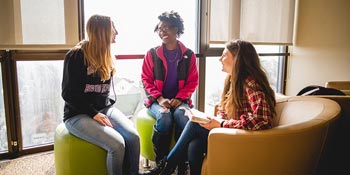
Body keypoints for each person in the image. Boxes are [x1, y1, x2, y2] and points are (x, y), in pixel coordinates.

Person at [144, 39, 277, 175]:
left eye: (224, 55)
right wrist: (215, 121)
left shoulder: (251, 83)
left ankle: (166, 167)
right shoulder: (232, 80)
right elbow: (225, 111)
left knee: (193, 125)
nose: (220, 59)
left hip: (244, 139)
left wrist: (222, 124)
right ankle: (169, 167)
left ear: (237, 59)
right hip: (233, 133)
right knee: (194, 143)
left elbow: (263, 120)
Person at [61, 14, 140, 175]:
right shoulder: (76, 56)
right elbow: (68, 94)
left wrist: (101, 112)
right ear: (102, 32)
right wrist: (93, 113)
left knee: (133, 137)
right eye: (113, 29)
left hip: (103, 109)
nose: (116, 32)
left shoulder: (107, 55)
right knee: (117, 145)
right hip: (78, 114)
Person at [141, 11, 199, 175]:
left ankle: (182, 164)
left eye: (167, 28)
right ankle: (162, 163)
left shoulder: (189, 55)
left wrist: (180, 98)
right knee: (165, 117)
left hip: (181, 101)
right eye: (160, 28)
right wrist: (159, 98)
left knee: (182, 118)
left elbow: (193, 81)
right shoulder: (152, 54)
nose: (162, 32)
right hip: (157, 101)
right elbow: (146, 79)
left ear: (176, 29)